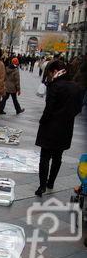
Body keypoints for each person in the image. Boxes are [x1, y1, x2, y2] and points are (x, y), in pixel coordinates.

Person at [35, 60, 82, 197]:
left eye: (50, 72)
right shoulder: (76, 87)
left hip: (50, 126)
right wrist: (67, 116)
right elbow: (78, 108)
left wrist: (43, 121)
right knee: (57, 156)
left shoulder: (54, 86)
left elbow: (48, 108)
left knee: (45, 157)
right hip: (66, 127)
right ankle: (51, 182)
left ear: (54, 71)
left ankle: (42, 186)